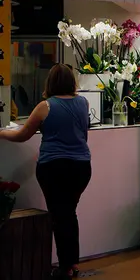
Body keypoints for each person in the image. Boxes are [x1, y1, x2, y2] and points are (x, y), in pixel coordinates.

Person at [0, 64, 91, 279]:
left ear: (49, 82)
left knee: (60, 216)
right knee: (69, 213)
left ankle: (65, 267)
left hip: (54, 167)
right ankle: (72, 264)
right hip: (81, 167)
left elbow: (22, 135)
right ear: (72, 82)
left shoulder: (45, 106)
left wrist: (2, 132)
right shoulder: (83, 103)